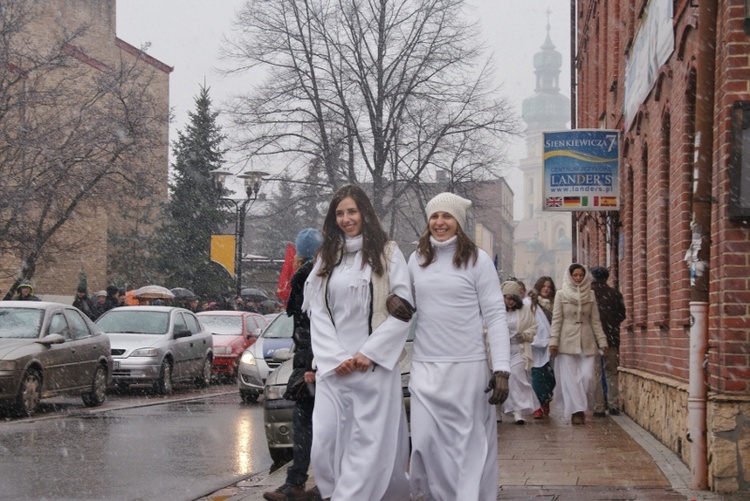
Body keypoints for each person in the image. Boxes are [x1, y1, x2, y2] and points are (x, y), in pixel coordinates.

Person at [302, 185, 414, 501]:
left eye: (352, 211)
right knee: (325, 440)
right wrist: (334, 356)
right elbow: (318, 311)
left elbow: (403, 309)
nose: (346, 218)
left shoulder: (389, 253)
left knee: (367, 442)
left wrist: (371, 352)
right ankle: (334, 491)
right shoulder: (326, 256)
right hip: (334, 366)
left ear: (364, 212)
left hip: (372, 366)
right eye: (340, 213)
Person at [407, 192, 511, 501]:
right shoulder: (416, 259)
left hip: (467, 366)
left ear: (458, 223)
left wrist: (502, 367)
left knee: (466, 447)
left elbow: (494, 314)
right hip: (426, 366)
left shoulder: (477, 260)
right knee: (425, 443)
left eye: (447, 217)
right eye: (435, 217)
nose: (440, 222)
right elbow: (405, 306)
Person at [264, 228, 324, 501]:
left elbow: (311, 325)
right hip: (316, 361)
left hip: (312, 363)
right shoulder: (322, 273)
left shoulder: (304, 277)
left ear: (299, 256)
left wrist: (310, 366)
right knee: (316, 424)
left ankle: (300, 483)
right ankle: (308, 482)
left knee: (305, 424)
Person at [549, 264, 608, 425]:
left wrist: (602, 341)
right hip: (566, 342)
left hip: (587, 341)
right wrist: (553, 341)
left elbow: (595, 321)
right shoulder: (561, 295)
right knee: (571, 379)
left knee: (588, 378)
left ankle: (583, 406)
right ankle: (577, 411)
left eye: (581, 275)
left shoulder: (590, 295)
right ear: (570, 276)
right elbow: (557, 320)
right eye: (575, 275)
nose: (578, 278)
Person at [590, 266, 627, 417]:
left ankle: (599, 407)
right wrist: (610, 326)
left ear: (592, 277)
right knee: (611, 372)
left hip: (593, 339)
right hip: (612, 339)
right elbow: (622, 315)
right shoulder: (615, 294)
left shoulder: (588, 294)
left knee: (596, 373)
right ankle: (613, 405)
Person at [500, 280, 539, 424]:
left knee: (517, 376)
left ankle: (518, 411)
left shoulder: (524, 311)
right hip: (501, 350)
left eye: (512, 298)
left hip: (519, 349)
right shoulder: (497, 310)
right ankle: (503, 409)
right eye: (506, 298)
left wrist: (524, 335)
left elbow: (533, 327)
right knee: (503, 379)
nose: (509, 301)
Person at [527, 276, 557, 418]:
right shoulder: (529, 303)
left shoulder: (555, 304)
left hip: (551, 345)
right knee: (538, 376)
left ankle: (546, 399)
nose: (546, 289)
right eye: (544, 286)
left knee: (551, 378)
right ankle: (537, 406)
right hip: (536, 344)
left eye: (549, 287)